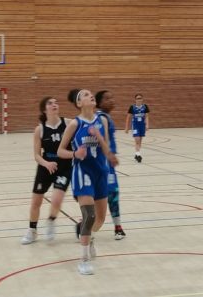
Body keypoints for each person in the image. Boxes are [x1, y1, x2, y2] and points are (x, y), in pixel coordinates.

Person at [58, 89, 118, 275]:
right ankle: (83, 260)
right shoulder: (75, 124)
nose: (90, 95)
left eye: (91, 94)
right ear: (79, 103)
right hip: (82, 172)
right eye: (85, 94)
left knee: (99, 220)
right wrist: (75, 154)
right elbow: (60, 151)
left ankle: (88, 236)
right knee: (89, 215)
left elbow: (105, 146)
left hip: (101, 172)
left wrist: (109, 153)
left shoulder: (102, 120)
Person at [20, 97, 71, 245]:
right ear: (44, 109)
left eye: (56, 102)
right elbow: (36, 155)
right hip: (45, 166)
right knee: (36, 201)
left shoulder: (68, 123)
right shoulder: (40, 129)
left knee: (57, 199)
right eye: (50, 103)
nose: (54, 104)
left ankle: (51, 220)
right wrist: (46, 163)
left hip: (64, 167)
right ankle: (32, 230)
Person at [95, 90, 126, 240]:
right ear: (99, 103)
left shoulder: (105, 116)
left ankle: (117, 227)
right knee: (111, 194)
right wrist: (110, 155)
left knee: (110, 194)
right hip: (104, 163)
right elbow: (102, 140)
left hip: (107, 164)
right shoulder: (101, 118)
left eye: (112, 97)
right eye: (107, 98)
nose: (111, 100)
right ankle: (116, 228)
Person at [125, 93, 150, 163]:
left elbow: (147, 116)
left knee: (140, 141)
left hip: (142, 125)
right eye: (137, 98)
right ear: (135, 100)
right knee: (137, 140)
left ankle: (136, 154)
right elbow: (128, 117)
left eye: (140, 98)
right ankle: (138, 155)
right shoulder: (132, 107)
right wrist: (127, 127)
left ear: (142, 99)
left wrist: (147, 125)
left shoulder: (145, 107)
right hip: (135, 125)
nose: (139, 100)